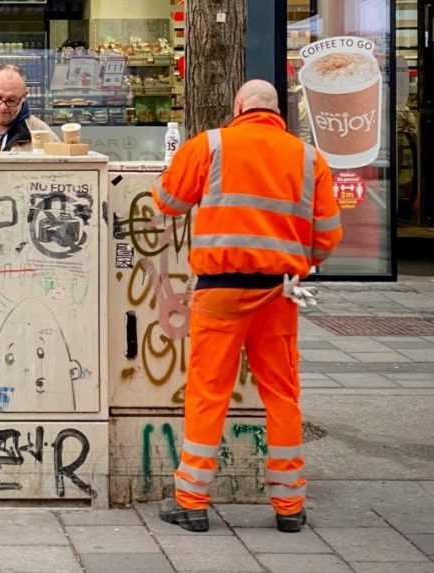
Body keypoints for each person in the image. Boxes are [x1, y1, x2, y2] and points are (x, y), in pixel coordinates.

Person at [151, 80, 343, 534]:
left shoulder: (211, 145)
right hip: (279, 293)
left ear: (238, 107)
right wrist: (300, 264)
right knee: (282, 393)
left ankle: (192, 500)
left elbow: (168, 202)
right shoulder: (309, 158)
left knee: (208, 392)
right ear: (279, 111)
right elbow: (329, 235)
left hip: (219, 291)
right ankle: (289, 505)